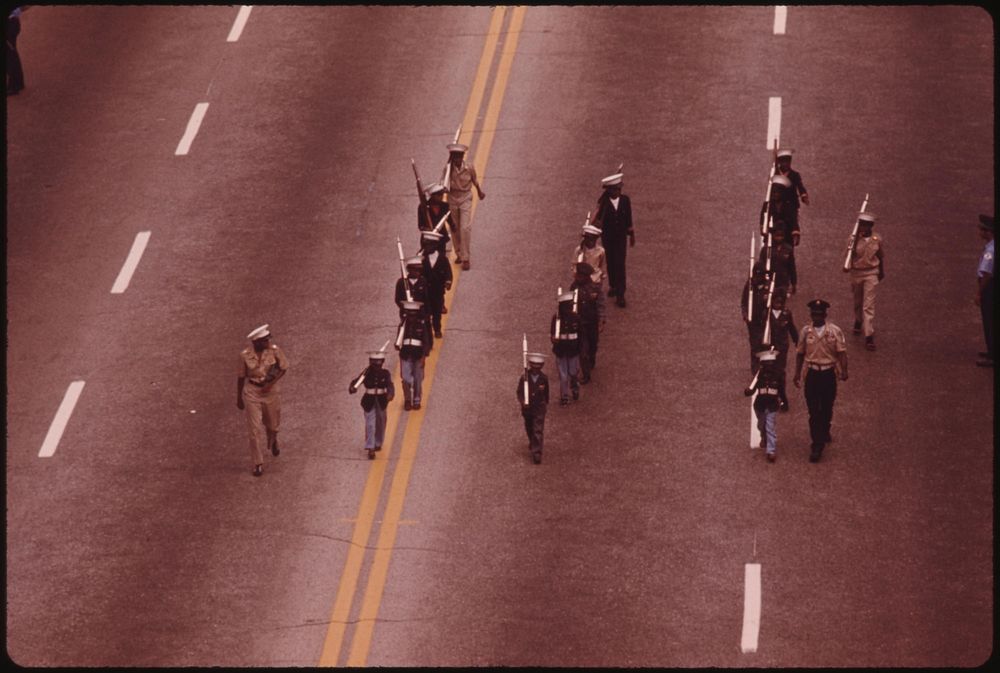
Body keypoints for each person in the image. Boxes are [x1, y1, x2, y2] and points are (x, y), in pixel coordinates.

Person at [793, 300, 848, 463]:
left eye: (819, 314)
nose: (816, 317)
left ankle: (825, 429)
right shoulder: (805, 332)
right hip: (812, 374)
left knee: (826, 407)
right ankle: (817, 445)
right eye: (814, 314)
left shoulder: (834, 331)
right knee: (813, 410)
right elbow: (800, 353)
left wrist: (844, 370)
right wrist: (797, 374)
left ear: (825, 315)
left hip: (828, 374)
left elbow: (841, 353)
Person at [236, 324, 289, 477]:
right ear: (257, 342)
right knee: (254, 430)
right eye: (265, 340)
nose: (268, 342)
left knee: (272, 425)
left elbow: (283, 367)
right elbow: (240, 377)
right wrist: (238, 398)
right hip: (252, 392)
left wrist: (271, 384)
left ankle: (273, 439)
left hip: (270, 392)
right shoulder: (244, 355)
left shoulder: (275, 351)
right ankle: (257, 463)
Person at [843, 212, 884, 351]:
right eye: (862, 224)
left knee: (868, 305)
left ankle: (869, 335)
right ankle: (858, 320)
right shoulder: (852, 239)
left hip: (871, 272)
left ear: (871, 226)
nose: (863, 227)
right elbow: (847, 257)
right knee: (858, 301)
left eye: (866, 225)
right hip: (857, 273)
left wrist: (882, 271)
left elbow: (880, 255)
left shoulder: (876, 239)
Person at [593, 172, 634, 307]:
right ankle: (613, 285)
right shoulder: (603, 204)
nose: (618, 191)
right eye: (615, 189)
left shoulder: (625, 200)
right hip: (608, 238)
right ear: (609, 190)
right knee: (610, 261)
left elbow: (628, 218)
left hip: (621, 238)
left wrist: (631, 233)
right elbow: (598, 220)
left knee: (620, 264)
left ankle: (621, 294)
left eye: (619, 188)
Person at [443, 142, 485, 270]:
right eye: (455, 157)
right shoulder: (448, 169)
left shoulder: (469, 167)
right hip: (452, 198)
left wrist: (479, 191)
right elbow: (443, 183)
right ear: (452, 157)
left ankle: (466, 258)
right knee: (454, 227)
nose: (457, 159)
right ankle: (459, 253)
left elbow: (474, 180)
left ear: (463, 157)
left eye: (459, 157)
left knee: (465, 227)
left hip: (465, 197)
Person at [348, 350, 395, 460]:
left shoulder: (385, 373)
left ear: (382, 362)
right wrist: (353, 387)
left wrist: (390, 394)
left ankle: (378, 442)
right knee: (370, 424)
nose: (376, 364)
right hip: (369, 401)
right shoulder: (366, 372)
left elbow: (390, 385)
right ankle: (370, 447)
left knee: (381, 423)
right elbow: (357, 381)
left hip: (382, 400)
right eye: (374, 362)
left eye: (378, 362)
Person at [744, 347, 782, 462]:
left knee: (770, 427)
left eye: (771, 364)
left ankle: (771, 450)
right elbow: (752, 389)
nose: (769, 366)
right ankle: (763, 436)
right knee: (762, 425)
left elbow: (781, 390)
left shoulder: (777, 377)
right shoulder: (759, 377)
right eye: (767, 364)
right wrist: (748, 392)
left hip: (772, 406)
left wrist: (783, 401)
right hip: (760, 405)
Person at [764, 288, 798, 411]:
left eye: (780, 302)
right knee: (768, 372)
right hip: (768, 347)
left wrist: (797, 342)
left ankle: (783, 398)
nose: (778, 304)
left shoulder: (786, 314)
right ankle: (772, 397)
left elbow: (792, 329)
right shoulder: (766, 314)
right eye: (776, 301)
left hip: (781, 348)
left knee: (779, 373)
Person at [570, 262, 605, 384]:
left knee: (593, 344)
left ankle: (592, 358)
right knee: (583, 350)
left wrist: (601, 320)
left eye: (580, 275)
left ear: (586, 276)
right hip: (580, 324)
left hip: (592, 322)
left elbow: (600, 305)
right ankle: (586, 374)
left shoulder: (595, 288)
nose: (577, 277)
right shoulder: (574, 287)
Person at [396, 300, 431, 410]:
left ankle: (416, 400)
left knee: (418, 378)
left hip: (418, 354)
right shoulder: (402, 325)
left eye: (413, 313)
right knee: (406, 378)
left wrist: (424, 356)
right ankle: (407, 399)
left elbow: (426, 341)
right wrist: (397, 344)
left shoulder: (421, 325)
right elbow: (398, 340)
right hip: (406, 354)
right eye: (409, 313)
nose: (411, 316)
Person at [395, 256, 434, 352]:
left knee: (424, 328)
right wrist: (406, 306)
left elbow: (427, 298)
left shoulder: (423, 281)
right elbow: (397, 299)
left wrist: (428, 312)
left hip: (421, 311)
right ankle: (404, 344)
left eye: (420, 270)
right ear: (409, 270)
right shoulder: (401, 282)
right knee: (406, 327)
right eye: (415, 270)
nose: (418, 272)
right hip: (407, 311)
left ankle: (427, 346)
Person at [516, 352, 549, 464]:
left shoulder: (544, 378)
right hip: (528, 409)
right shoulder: (524, 378)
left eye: (538, 367)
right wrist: (522, 402)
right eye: (534, 366)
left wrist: (545, 404)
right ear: (530, 365)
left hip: (539, 407)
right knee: (529, 427)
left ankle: (537, 452)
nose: (536, 369)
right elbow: (519, 392)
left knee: (538, 429)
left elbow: (546, 393)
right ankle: (533, 442)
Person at [550, 290, 582, 405]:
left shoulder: (576, 318)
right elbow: (552, 333)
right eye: (566, 307)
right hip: (561, 350)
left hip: (573, 349)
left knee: (573, 372)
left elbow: (580, 334)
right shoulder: (556, 318)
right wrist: (554, 339)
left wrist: (581, 350)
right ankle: (564, 396)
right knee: (563, 376)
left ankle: (574, 387)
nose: (568, 309)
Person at [421, 231, 453, 338]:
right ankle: (426, 331)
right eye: (425, 244)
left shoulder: (442, 258)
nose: (426, 247)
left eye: (429, 244)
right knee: (425, 312)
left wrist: (448, 282)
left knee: (437, 312)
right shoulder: (421, 258)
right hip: (424, 291)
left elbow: (448, 272)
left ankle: (437, 329)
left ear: (435, 245)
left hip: (437, 290)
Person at [774, 148, 809, 243]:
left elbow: (800, 187)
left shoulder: (795, 175)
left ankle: (795, 235)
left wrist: (803, 195)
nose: (786, 164)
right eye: (783, 161)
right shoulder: (775, 173)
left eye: (788, 161)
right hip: (777, 202)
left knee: (793, 217)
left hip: (790, 202)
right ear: (779, 162)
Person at [741, 262, 769, 373]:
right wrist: (745, 315)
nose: (756, 278)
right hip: (753, 321)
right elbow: (743, 301)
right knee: (754, 343)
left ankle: (765, 365)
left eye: (759, 276)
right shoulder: (749, 285)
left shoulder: (768, 287)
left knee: (765, 343)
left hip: (765, 321)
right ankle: (755, 367)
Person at [975, 214, 994, 367]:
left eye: (982, 229)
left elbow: (987, 273)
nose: (979, 231)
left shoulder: (991, 250)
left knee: (990, 321)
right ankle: (991, 351)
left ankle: (993, 356)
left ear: (989, 232)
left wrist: (979, 292)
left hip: (990, 289)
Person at [759, 225, 797, 296]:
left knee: (780, 300)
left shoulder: (788, 249)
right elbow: (760, 265)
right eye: (777, 235)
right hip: (769, 280)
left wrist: (794, 283)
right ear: (773, 235)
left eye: (781, 236)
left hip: (783, 281)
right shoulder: (766, 249)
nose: (779, 238)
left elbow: (792, 267)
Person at [417, 182, 452, 250]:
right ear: (433, 195)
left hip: (441, 238)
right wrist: (429, 230)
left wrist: (453, 227)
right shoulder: (423, 207)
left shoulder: (444, 206)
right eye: (439, 195)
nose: (441, 197)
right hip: (428, 239)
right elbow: (420, 225)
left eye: (442, 194)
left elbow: (449, 219)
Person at [6, 6, 25, 96]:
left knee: (9, 57)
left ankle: (14, 86)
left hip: (9, 25)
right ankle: (18, 83)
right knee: (12, 55)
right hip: (12, 23)